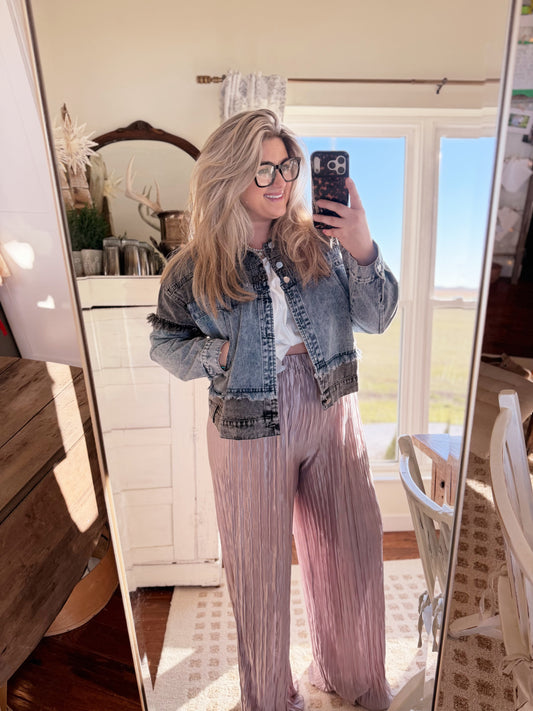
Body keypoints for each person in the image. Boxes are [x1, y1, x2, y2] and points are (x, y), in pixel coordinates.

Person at [148, 108, 398, 711]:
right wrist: (217, 354)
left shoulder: (324, 241)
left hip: (330, 406)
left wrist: (362, 243)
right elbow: (163, 341)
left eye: (286, 167)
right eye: (263, 169)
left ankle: (355, 678)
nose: (280, 181)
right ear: (228, 174)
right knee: (259, 574)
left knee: (352, 552)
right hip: (245, 423)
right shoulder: (192, 267)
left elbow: (377, 317)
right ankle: (269, 699)